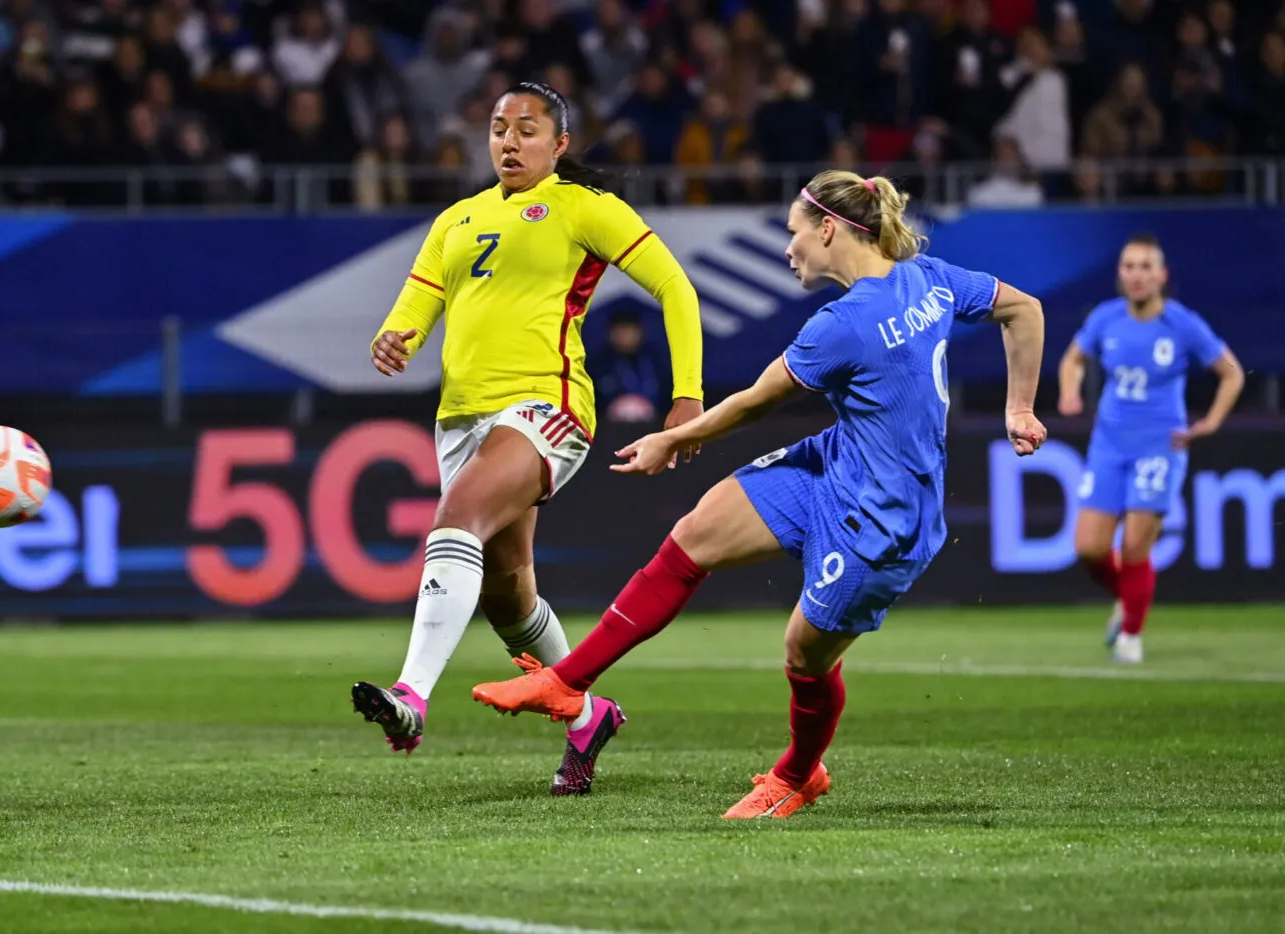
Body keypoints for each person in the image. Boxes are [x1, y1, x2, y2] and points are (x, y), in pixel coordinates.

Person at [472, 170, 1047, 818]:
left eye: (793, 233)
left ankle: (799, 774)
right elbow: (1023, 308)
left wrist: (671, 439)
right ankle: (567, 680)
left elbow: (749, 405)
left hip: (888, 517)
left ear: (829, 229)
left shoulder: (842, 326)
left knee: (803, 651)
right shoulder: (929, 278)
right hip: (835, 465)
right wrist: (1018, 410)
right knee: (693, 537)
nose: (788, 249)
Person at [354, 82, 705, 796]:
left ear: (560, 144)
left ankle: (412, 699)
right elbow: (417, 306)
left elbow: (676, 288)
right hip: (461, 419)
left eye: (527, 129)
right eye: (497, 129)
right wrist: (396, 339)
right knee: (509, 599)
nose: (509, 141)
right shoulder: (457, 218)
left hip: (547, 406)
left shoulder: (586, 208)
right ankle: (585, 714)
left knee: (455, 520)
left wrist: (687, 396)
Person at [1057, 234, 1242, 664]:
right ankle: (1128, 597)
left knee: (1137, 544)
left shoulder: (1182, 324)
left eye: (1145, 267)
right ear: (1120, 274)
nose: (1136, 275)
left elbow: (1231, 373)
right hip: (1109, 444)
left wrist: (1211, 422)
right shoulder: (1105, 318)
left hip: (1159, 446)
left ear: (1161, 275)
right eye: (1129, 266)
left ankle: (1130, 636)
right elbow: (1072, 359)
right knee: (1089, 548)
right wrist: (1070, 392)